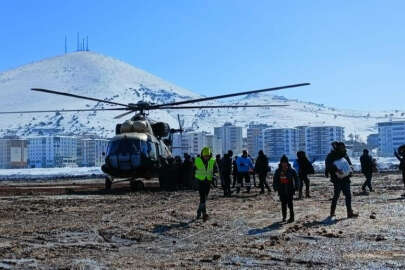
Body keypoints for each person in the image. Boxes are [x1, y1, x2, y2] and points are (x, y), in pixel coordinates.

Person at [325, 142, 358, 218]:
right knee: (336, 195)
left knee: (348, 195)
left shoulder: (345, 155)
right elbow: (328, 165)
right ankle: (332, 212)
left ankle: (349, 212)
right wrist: (336, 170)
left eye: (344, 147)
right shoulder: (331, 155)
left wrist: (350, 169)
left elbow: (349, 164)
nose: (344, 148)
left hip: (345, 178)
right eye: (342, 147)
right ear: (338, 147)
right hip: (336, 178)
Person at [194, 147, 218, 221]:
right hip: (200, 181)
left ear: (210, 155)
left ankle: (199, 210)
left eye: (207, 156)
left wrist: (215, 176)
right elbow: (193, 171)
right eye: (205, 156)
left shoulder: (213, 161)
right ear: (202, 155)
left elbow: (216, 170)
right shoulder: (197, 160)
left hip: (208, 181)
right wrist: (193, 181)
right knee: (202, 197)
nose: (206, 157)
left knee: (204, 198)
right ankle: (204, 214)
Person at [273, 155, 297, 223]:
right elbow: (275, 179)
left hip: (290, 190)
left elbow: (296, 178)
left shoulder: (291, 170)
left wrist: (296, 186)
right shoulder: (278, 171)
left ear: (287, 162)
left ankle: (292, 217)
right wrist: (275, 187)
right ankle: (284, 217)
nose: (284, 164)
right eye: (282, 162)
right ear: (280, 163)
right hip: (281, 190)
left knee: (290, 204)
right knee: (283, 204)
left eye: (285, 162)